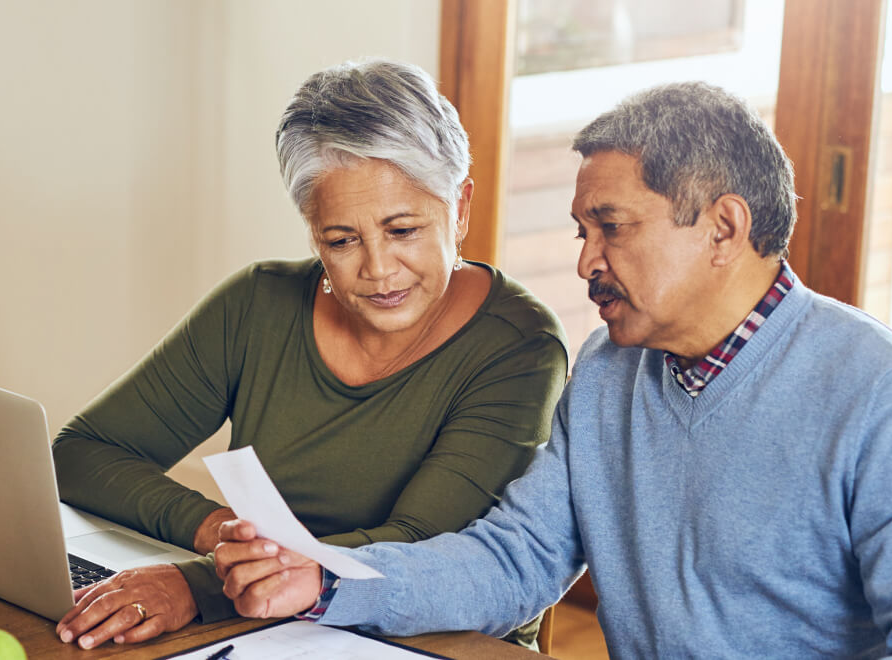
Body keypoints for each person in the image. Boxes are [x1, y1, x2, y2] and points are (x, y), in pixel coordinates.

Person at [213, 81, 892, 658]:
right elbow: (516, 559)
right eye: (580, 231)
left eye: (611, 228)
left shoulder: (879, 395)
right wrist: (325, 581)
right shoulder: (607, 370)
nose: (586, 262)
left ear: (723, 227)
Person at [48, 59, 569, 650]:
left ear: (461, 207)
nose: (377, 270)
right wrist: (223, 536)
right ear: (311, 229)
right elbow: (82, 454)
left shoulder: (519, 346)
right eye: (341, 240)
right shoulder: (258, 303)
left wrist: (201, 586)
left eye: (403, 231)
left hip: (430, 642)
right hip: (266, 630)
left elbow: (422, 546)